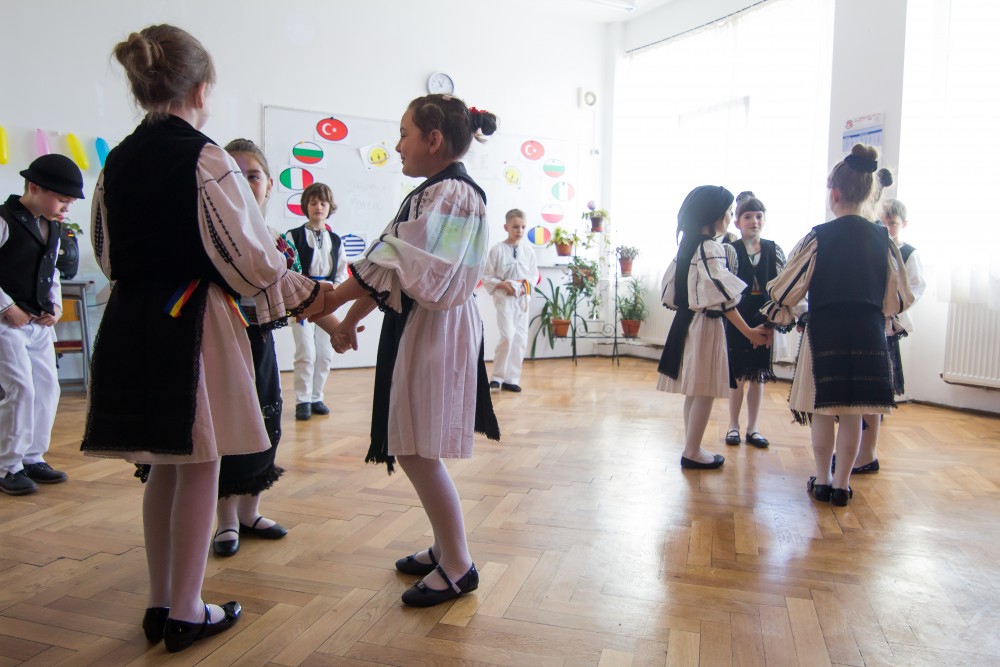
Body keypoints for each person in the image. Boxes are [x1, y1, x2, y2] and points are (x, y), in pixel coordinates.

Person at [80, 25, 328, 652]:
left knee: (164, 464)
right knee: (199, 464)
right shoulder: (206, 158)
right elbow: (253, 261)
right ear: (201, 88)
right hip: (191, 317)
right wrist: (316, 299)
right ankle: (188, 611)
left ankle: (161, 602)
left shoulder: (117, 160)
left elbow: (106, 251)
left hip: (132, 316)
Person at [315, 94, 500, 607]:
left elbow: (395, 261)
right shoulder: (435, 193)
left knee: (418, 449)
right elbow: (391, 267)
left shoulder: (453, 194)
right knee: (418, 442)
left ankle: (458, 565)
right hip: (423, 323)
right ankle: (444, 547)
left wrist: (333, 300)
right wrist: (346, 319)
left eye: (404, 134)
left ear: (433, 140)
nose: (397, 146)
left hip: (435, 326)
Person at [762, 144, 913, 507]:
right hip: (869, 333)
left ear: (834, 194)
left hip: (825, 331)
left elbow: (785, 288)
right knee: (853, 412)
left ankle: (823, 479)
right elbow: (898, 298)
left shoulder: (819, 236)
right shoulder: (884, 240)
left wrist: (781, 304)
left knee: (822, 410)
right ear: (870, 195)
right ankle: (843, 485)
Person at [210, 139, 297, 557]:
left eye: (254, 175)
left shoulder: (278, 241)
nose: (245, 183)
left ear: (268, 185)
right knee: (227, 429)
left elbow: (295, 290)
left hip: (261, 343)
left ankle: (250, 512)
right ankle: (226, 520)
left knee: (266, 421)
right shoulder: (208, 235)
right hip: (221, 345)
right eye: (234, 174)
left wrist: (337, 324)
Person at [657, 185, 771, 470]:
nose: (731, 217)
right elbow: (723, 299)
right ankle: (692, 450)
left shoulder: (689, 246)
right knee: (704, 390)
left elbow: (672, 292)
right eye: (730, 212)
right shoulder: (710, 248)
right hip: (706, 325)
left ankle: (691, 446)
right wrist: (749, 332)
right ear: (715, 215)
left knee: (694, 391)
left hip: (689, 322)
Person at [0, 154, 83, 495]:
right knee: (20, 388)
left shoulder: (55, 227)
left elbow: (51, 273)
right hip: (7, 325)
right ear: (34, 187)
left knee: (48, 387)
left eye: (70, 202)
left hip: (39, 324)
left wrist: (54, 305)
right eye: (62, 199)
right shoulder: (3, 220)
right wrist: (7, 307)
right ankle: (7, 465)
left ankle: (33, 457)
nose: (66, 208)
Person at [849, 198, 926, 474]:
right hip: (868, 320)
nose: (887, 227)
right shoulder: (871, 247)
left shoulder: (908, 253)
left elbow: (914, 288)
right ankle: (855, 448)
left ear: (903, 224)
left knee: (876, 386)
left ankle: (867, 452)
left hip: (887, 322)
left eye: (892, 223)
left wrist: (894, 311)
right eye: (882, 222)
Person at [723, 195, 786, 449]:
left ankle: (753, 428)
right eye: (748, 216)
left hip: (764, 317)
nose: (754, 221)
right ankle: (733, 426)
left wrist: (772, 323)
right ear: (737, 222)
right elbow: (726, 289)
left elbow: (782, 286)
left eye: (759, 216)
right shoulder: (730, 250)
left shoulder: (774, 249)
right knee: (738, 374)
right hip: (738, 317)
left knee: (758, 375)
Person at [285, 182, 348, 421]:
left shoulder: (336, 240)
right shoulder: (293, 235)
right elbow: (289, 269)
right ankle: (302, 400)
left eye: (323, 203)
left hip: (328, 299)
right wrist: (304, 293)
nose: (318, 207)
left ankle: (316, 397)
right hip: (301, 299)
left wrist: (334, 293)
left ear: (329, 207)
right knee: (306, 351)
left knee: (325, 352)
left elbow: (341, 273)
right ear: (306, 206)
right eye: (313, 202)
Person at [483, 208, 539, 393]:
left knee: (520, 339)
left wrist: (521, 287)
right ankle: (497, 377)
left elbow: (533, 276)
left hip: (522, 299)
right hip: (504, 298)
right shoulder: (497, 250)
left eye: (523, 227)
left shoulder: (529, 251)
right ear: (506, 227)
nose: (519, 231)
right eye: (515, 227)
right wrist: (503, 284)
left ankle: (511, 379)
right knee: (507, 336)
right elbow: (487, 276)